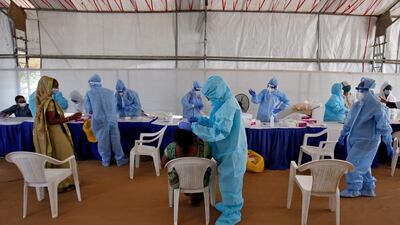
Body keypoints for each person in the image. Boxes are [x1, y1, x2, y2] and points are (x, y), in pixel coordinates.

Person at [187, 75, 247, 225]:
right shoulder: (221, 102)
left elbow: (220, 132)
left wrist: (195, 128)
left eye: (210, 97)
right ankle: (229, 206)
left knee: (231, 184)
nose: (209, 100)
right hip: (226, 151)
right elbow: (215, 122)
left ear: (217, 92)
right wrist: (201, 120)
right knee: (226, 183)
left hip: (232, 153)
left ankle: (232, 214)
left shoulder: (229, 106)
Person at [339, 77, 393, 198]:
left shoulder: (376, 106)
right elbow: (349, 121)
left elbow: (384, 126)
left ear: (369, 90)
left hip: (368, 141)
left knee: (353, 163)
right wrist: (343, 134)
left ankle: (353, 189)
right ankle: (367, 188)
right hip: (355, 139)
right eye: (358, 89)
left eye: (362, 90)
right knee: (363, 164)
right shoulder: (357, 105)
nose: (359, 92)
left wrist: (388, 142)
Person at [32, 76, 82, 192]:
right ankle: (64, 183)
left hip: (48, 133)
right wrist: (71, 118)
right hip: (55, 132)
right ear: (47, 87)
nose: (57, 88)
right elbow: (51, 120)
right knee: (66, 155)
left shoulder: (41, 101)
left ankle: (54, 182)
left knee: (54, 155)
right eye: (54, 86)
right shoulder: (50, 102)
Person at [161, 122, 211, 206]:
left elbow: (162, 165)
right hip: (201, 181)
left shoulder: (171, 148)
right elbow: (210, 160)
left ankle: (191, 194)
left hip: (178, 182)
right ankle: (195, 194)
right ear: (193, 136)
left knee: (181, 175)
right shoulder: (204, 146)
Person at [84, 74, 128, 167]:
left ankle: (106, 160)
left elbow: (89, 110)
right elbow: (115, 106)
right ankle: (120, 159)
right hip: (112, 119)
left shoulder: (89, 93)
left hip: (99, 120)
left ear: (91, 83)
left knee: (103, 141)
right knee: (116, 139)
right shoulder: (110, 92)